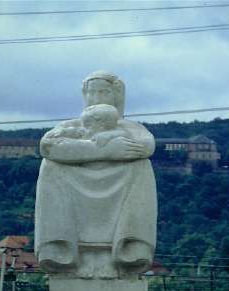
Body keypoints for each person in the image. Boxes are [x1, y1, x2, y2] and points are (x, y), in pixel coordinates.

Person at [35, 70, 157, 279]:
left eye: (104, 93)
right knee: (50, 167)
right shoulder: (71, 125)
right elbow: (48, 147)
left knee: (141, 167)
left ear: (116, 95)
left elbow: (145, 147)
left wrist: (99, 145)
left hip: (119, 182)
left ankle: (128, 247)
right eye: (92, 93)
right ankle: (61, 248)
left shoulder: (130, 127)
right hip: (74, 182)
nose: (96, 98)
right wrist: (104, 151)